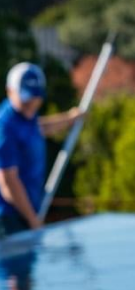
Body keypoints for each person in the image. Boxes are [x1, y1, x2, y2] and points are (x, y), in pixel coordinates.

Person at [0, 62, 83, 237]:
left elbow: (38, 129)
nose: (31, 104)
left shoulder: (24, 117)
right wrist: (33, 220)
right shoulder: (5, 126)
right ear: (10, 91)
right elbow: (8, 182)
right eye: (26, 99)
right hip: (10, 219)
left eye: (35, 98)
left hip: (26, 215)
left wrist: (69, 119)